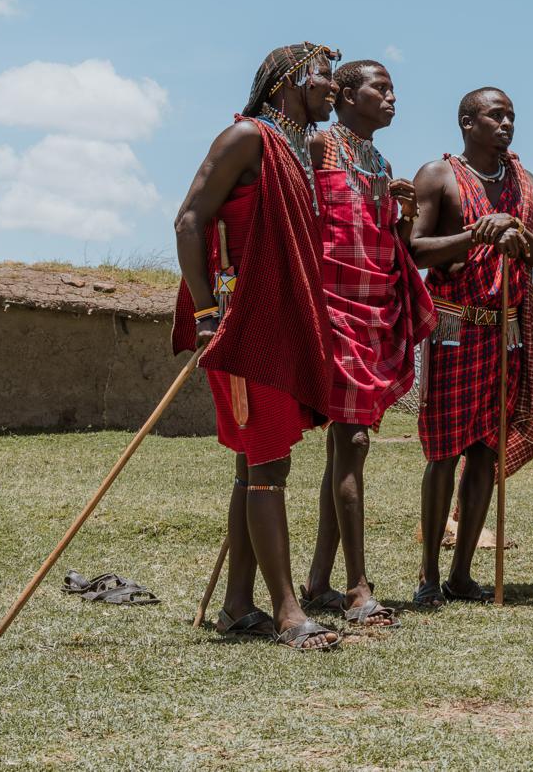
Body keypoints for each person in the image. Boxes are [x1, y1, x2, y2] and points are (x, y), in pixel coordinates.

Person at [171, 42, 343, 651]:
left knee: (258, 462)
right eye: (324, 76)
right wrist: (208, 314)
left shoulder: (302, 151)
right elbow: (190, 219)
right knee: (267, 462)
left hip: (281, 321)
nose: (333, 86)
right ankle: (289, 611)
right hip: (243, 322)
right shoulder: (245, 138)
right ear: (289, 81)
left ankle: (237, 605)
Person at [298, 59, 435, 629]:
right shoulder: (319, 146)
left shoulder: (379, 161)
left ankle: (319, 580)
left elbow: (387, 239)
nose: (392, 97)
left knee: (346, 446)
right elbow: (300, 221)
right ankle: (358, 589)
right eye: (381, 88)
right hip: (334, 309)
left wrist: (403, 216)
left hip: (374, 307)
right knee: (351, 440)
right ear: (348, 94)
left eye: (394, 88)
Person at [408, 87, 533, 605]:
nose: (507, 123)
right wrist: (476, 236)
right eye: (496, 115)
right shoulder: (439, 176)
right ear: (467, 122)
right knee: (444, 451)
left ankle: (462, 572)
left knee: (485, 453)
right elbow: (414, 250)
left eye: (511, 115)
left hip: (506, 329)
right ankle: (428, 574)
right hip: (452, 327)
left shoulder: (525, 181)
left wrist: (515, 230)